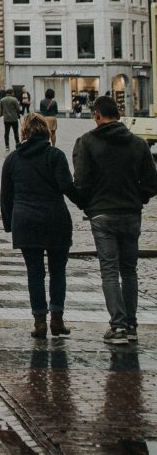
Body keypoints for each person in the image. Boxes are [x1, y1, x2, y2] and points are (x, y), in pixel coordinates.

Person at [72, 95, 157, 345]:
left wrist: (88, 205)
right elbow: (152, 183)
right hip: (131, 213)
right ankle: (130, 324)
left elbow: (81, 183)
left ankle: (118, 325)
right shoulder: (139, 144)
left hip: (102, 214)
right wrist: (138, 199)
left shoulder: (86, 142)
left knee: (109, 271)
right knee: (129, 270)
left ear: (97, 115)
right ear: (118, 116)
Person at [0, 113, 82, 338]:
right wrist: (86, 204)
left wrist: (10, 224)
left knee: (34, 273)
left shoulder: (13, 159)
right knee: (58, 271)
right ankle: (57, 319)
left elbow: (6, 197)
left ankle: (39, 322)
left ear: (24, 132)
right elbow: (67, 186)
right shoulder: (55, 155)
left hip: (26, 222)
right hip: (55, 219)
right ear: (47, 132)